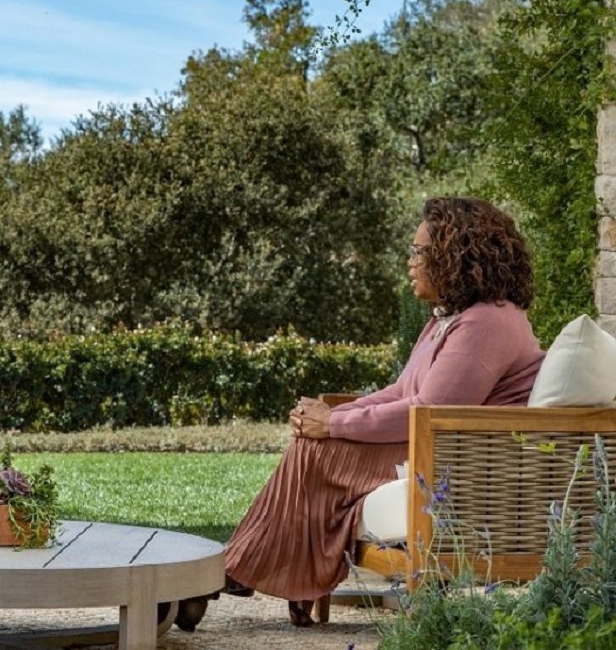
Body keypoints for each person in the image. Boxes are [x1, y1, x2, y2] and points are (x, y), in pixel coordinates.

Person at [176, 196, 546, 630]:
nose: (410, 262)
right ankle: (238, 572)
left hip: (455, 462)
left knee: (315, 451)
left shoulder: (487, 322)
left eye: (419, 251)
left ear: (455, 255)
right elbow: (401, 391)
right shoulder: (448, 319)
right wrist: (328, 415)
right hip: (431, 447)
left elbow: (427, 411)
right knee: (312, 443)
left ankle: (229, 571)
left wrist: (333, 423)